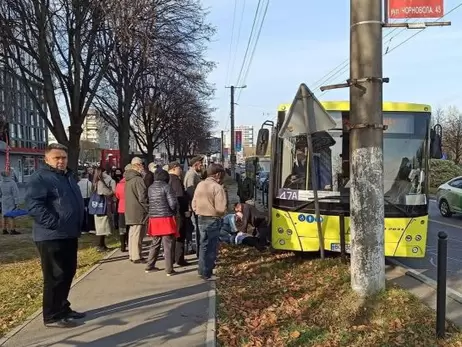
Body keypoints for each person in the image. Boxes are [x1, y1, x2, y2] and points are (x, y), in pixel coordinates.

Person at [25, 143, 85, 328]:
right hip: (51, 235)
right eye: (56, 157)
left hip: (69, 233)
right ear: (47, 159)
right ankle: (52, 315)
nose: (61, 161)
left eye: (63, 157)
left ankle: (62, 307)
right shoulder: (41, 178)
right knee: (55, 275)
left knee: (68, 272)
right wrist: (55, 223)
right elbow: (34, 205)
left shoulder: (67, 177)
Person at [192, 163, 227, 281]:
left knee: (203, 245)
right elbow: (221, 208)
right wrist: (220, 214)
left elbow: (194, 203)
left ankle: (201, 270)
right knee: (212, 247)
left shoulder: (200, 185)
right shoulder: (217, 187)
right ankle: (207, 272)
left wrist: (198, 211)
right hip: (213, 219)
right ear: (217, 174)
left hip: (201, 217)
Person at [145, 169, 178, 275]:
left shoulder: (150, 188)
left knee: (155, 243)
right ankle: (169, 269)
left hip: (154, 218)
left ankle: (149, 266)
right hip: (166, 218)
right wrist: (175, 211)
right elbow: (172, 203)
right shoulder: (166, 187)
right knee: (167, 245)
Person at [124, 157, 149, 263]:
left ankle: (132, 254)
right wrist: (148, 207)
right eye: (142, 164)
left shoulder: (128, 179)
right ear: (138, 165)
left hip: (130, 209)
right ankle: (136, 256)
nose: (143, 167)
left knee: (132, 233)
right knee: (137, 234)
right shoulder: (138, 179)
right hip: (138, 210)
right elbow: (142, 196)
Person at [168, 161, 190, 266]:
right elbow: (180, 197)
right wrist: (185, 210)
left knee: (173, 236)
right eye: (179, 168)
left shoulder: (167, 179)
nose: (181, 170)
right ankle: (179, 258)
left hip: (170, 212)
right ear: (174, 168)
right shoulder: (176, 180)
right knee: (180, 235)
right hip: (179, 212)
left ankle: (172, 258)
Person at [184, 155, 204, 256]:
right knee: (197, 228)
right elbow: (190, 191)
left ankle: (198, 249)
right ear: (196, 164)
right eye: (201, 163)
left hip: (194, 205)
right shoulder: (192, 174)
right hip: (194, 206)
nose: (202, 165)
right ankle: (199, 251)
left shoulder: (194, 174)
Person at [92, 167, 115, 251]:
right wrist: (112, 191)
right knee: (102, 227)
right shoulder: (100, 182)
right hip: (102, 206)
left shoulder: (95, 181)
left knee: (100, 227)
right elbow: (107, 192)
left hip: (97, 206)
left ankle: (102, 245)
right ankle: (100, 245)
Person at [115, 164, 131, 252]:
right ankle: (129, 243)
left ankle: (122, 246)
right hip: (130, 207)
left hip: (121, 207)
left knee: (122, 228)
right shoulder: (130, 184)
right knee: (129, 227)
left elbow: (117, 195)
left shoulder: (119, 184)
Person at [0, 170, 20, 235]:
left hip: (3, 199)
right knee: (11, 214)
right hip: (11, 199)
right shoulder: (12, 182)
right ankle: (12, 230)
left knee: (4, 215)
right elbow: (15, 193)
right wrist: (16, 202)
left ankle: (4, 229)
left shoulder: (1, 182)